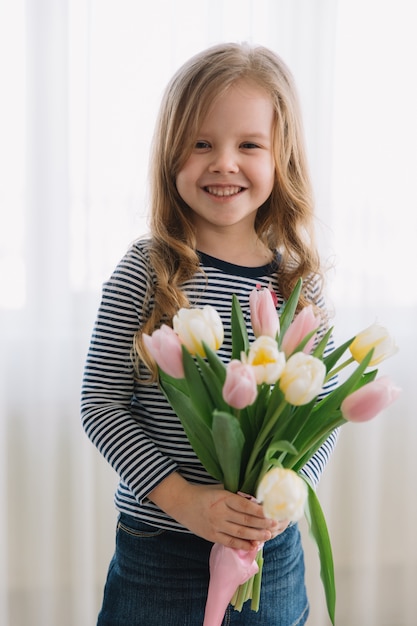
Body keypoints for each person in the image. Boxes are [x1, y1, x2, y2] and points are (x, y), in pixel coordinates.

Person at [81, 42, 338, 626]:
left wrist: (284, 497)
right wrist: (184, 501)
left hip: (267, 557)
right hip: (159, 552)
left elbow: (321, 410)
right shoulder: (146, 271)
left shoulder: (298, 284)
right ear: (172, 157)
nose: (224, 162)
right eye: (201, 144)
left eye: (248, 144)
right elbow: (101, 405)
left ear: (282, 159)